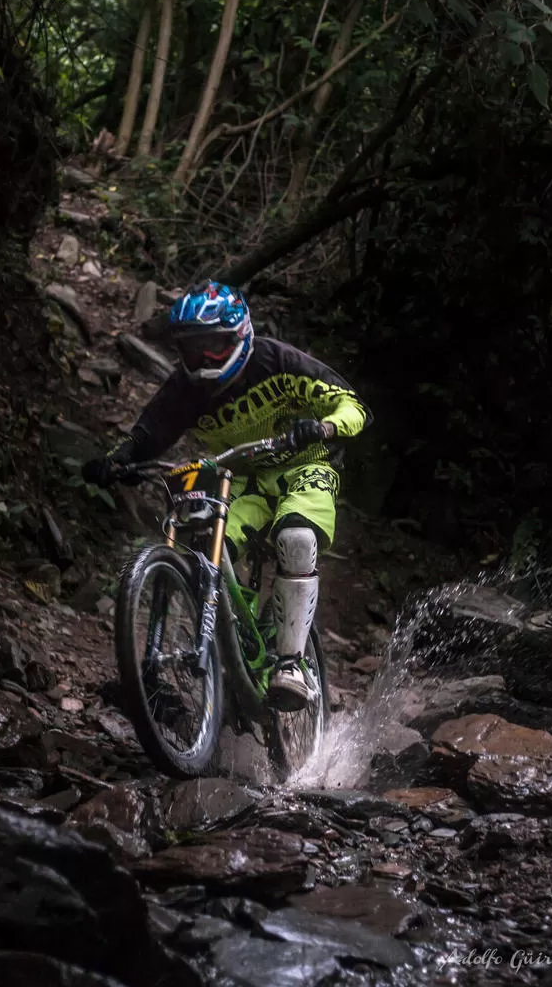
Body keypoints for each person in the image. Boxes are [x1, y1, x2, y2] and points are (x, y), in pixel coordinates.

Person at [83, 280, 372, 711]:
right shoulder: (185, 388)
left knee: (296, 540)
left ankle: (291, 663)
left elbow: (353, 407)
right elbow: (150, 432)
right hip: (240, 481)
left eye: (213, 347)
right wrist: (117, 459)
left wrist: (324, 427)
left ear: (240, 336)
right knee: (202, 548)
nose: (203, 360)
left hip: (305, 466)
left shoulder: (278, 361)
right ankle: (219, 656)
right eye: (192, 349)